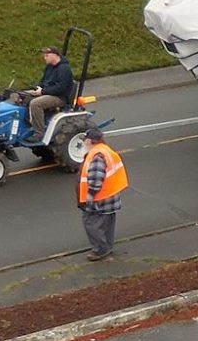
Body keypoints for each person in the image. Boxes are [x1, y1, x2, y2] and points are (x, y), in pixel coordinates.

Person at [76, 124, 127, 260]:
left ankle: (100, 250)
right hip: (110, 196)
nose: (83, 142)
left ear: (91, 141)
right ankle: (107, 247)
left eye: (85, 139)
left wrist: (90, 195)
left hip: (100, 198)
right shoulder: (105, 150)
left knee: (92, 223)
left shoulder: (96, 155)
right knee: (107, 224)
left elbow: (96, 178)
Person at [14, 45, 76, 144]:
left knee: (36, 103)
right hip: (46, 92)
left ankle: (39, 133)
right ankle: (29, 121)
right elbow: (43, 80)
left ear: (54, 55)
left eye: (47, 55)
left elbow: (60, 88)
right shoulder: (49, 67)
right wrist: (39, 87)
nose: (44, 57)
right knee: (18, 95)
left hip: (59, 97)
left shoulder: (64, 69)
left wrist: (42, 92)